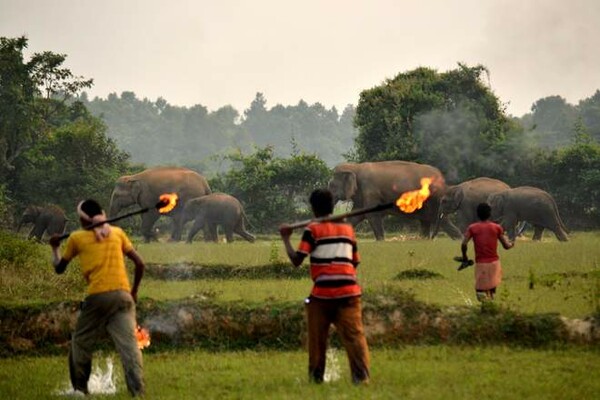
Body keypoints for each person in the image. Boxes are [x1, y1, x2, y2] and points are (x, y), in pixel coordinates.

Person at [49, 199, 146, 396]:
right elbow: (140, 264)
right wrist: (133, 292)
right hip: (123, 297)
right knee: (129, 347)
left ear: (83, 220)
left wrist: (55, 247)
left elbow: (59, 268)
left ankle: (80, 389)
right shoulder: (117, 233)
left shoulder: (77, 238)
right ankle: (137, 391)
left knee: (81, 343)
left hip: (98, 297)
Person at [279, 188, 370, 384]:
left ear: (313, 208)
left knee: (317, 340)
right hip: (349, 293)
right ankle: (361, 378)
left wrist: (286, 238)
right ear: (332, 206)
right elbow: (355, 262)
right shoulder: (348, 230)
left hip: (322, 296)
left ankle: (316, 378)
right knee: (355, 337)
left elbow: (296, 260)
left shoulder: (312, 230)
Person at [460, 202, 514, 301]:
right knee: (492, 291)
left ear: (477, 214)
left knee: (480, 291)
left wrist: (465, 257)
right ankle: (490, 308)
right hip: (494, 263)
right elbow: (506, 246)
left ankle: (485, 309)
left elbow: (464, 244)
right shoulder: (497, 227)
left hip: (481, 264)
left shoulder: (472, 228)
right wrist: (512, 244)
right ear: (490, 214)